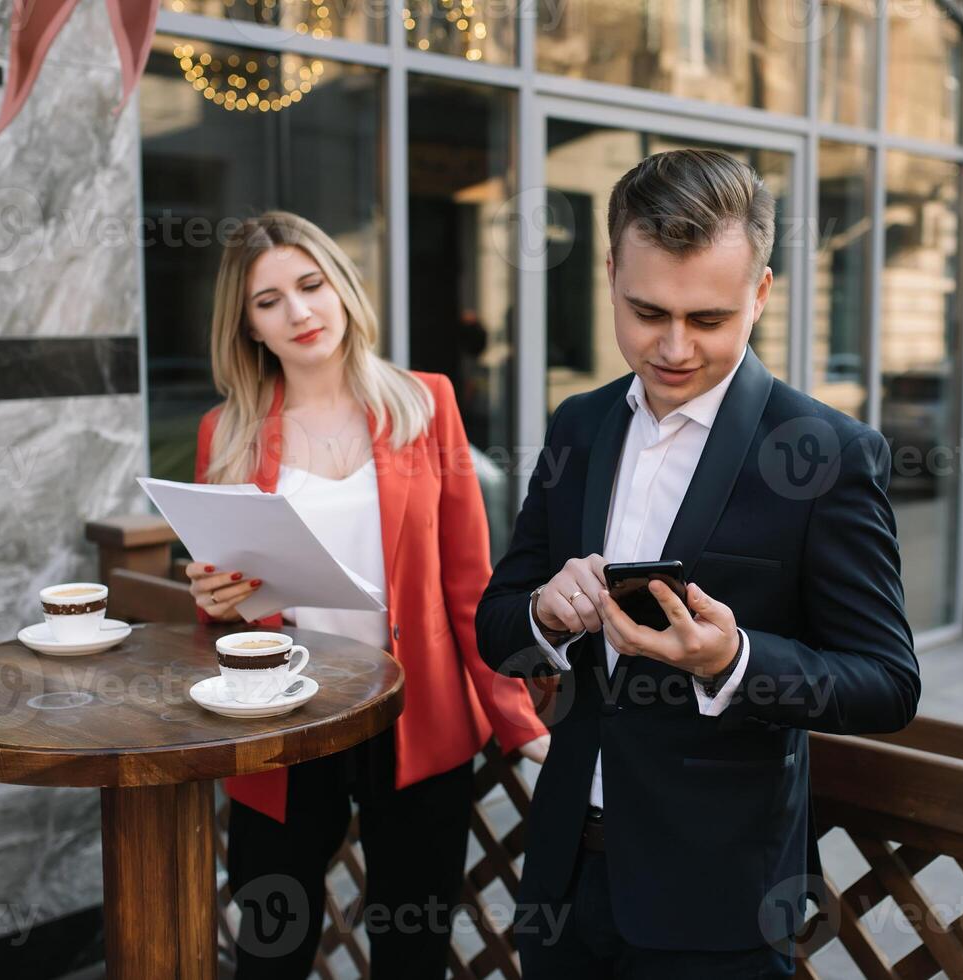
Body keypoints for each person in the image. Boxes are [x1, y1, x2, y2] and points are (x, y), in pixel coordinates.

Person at [475, 149, 920, 976]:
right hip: (562, 881)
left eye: (709, 319)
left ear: (761, 293)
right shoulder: (578, 423)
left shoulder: (829, 452)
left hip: (721, 904)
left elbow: (889, 682)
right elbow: (495, 629)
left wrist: (735, 660)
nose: (674, 347)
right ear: (610, 272)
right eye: (647, 311)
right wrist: (543, 611)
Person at [186, 211, 550, 979]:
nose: (300, 313)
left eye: (312, 285)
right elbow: (223, 612)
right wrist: (215, 602)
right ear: (248, 326)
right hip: (283, 723)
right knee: (269, 948)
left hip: (414, 718)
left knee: (411, 952)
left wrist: (518, 721)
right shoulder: (225, 433)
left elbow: (467, 586)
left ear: (343, 288)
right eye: (269, 301)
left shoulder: (426, 405)